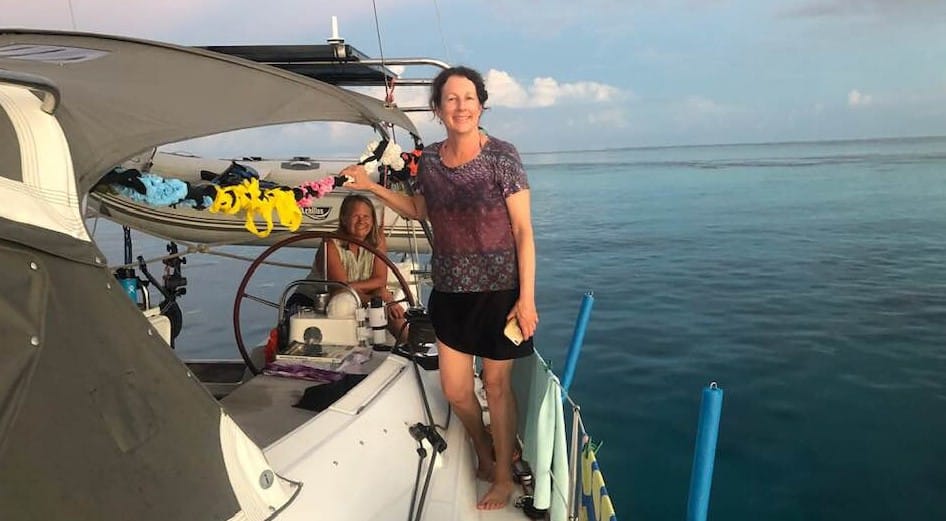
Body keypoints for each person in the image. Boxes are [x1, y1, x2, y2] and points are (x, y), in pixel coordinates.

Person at [343, 66, 538, 510]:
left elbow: (524, 232)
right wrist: (370, 187)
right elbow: (418, 209)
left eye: (469, 98)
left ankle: (504, 477)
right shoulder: (429, 161)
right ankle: (486, 451)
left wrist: (526, 299)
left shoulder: (502, 157)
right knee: (454, 389)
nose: (461, 106)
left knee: (497, 386)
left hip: (499, 292)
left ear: (481, 104)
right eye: (451, 99)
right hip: (449, 291)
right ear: (438, 109)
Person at [289, 194, 407, 340]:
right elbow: (339, 289)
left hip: (348, 297)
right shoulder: (330, 244)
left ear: (373, 219)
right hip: (310, 303)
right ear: (344, 219)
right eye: (355, 216)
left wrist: (382, 297)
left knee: (386, 302)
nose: (361, 221)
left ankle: (409, 347)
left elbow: (380, 280)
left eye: (366, 216)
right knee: (380, 299)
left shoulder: (377, 240)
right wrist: (381, 299)